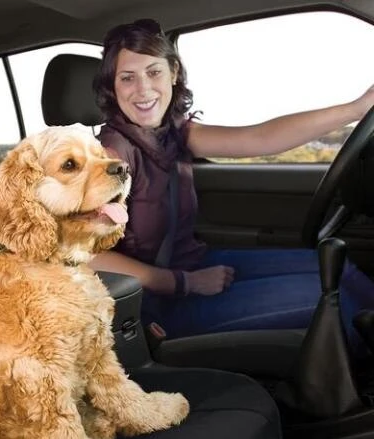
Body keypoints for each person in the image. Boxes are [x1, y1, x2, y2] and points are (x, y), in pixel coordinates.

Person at [90, 18, 374, 350]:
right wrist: (184, 282)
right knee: (331, 298)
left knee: (341, 270)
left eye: (154, 72)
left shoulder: (171, 132)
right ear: (112, 86)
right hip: (155, 303)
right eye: (127, 78)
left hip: (195, 263)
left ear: (174, 73)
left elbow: (260, 138)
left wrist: (356, 109)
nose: (143, 89)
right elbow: (89, 257)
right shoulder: (109, 155)